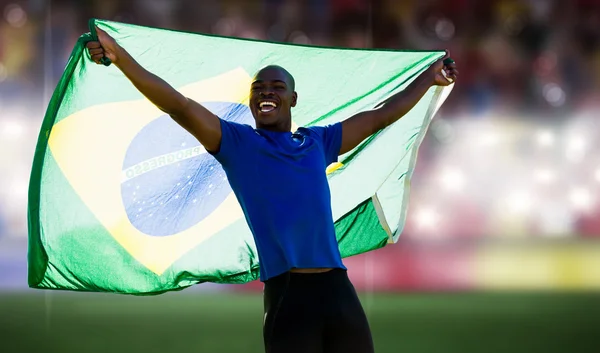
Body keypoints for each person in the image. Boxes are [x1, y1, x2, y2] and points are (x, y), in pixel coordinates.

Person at [86, 26, 458, 353]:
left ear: (293, 99)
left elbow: (381, 116)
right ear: (250, 101)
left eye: (277, 87)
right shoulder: (235, 143)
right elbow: (178, 105)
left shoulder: (318, 142)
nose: (267, 93)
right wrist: (121, 57)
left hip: (338, 290)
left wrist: (429, 79)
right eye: (258, 88)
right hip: (288, 297)